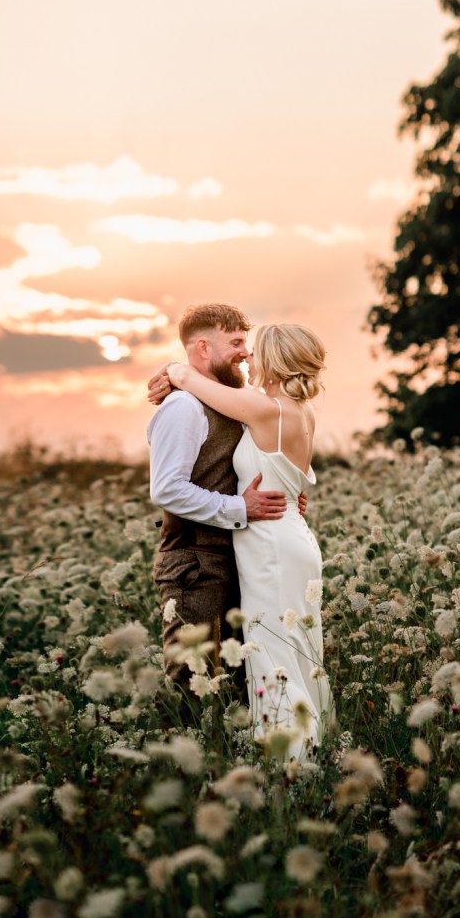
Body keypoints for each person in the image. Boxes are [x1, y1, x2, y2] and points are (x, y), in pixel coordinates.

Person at [162, 322, 333, 757]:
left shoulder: (265, 409)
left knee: (272, 653)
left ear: (274, 361)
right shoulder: (301, 411)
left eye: (254, 352)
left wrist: (171, 371)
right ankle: (311, 748)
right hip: (292, 534)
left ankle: (291, 764)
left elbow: (187, 377)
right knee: (298, 649)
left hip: (271, 543)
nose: (247, 359)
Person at [147, 303, 289, 687]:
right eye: (237, 342)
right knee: (191, 681)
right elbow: (166, 489)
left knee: (232, 684)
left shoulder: (227, 400)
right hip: (194, 565)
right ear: (204, 349)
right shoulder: (183, 407)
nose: (246, 352)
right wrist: (242, 507)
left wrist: (286, 498)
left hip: (232, 561)